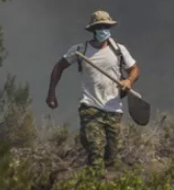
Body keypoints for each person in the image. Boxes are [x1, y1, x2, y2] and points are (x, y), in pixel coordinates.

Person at [46, 10, 140, 168]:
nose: (103, 30)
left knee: (111, 158)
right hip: (90, 108)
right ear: (93, 30)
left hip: (114, 109)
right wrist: (51, 93)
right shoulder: (80, 50)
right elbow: (59, 67)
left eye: (106, 26)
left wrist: (129, 81)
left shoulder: (119, 50)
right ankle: (93, 179)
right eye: (100, 27)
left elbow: (134, 69)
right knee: (95, 153)